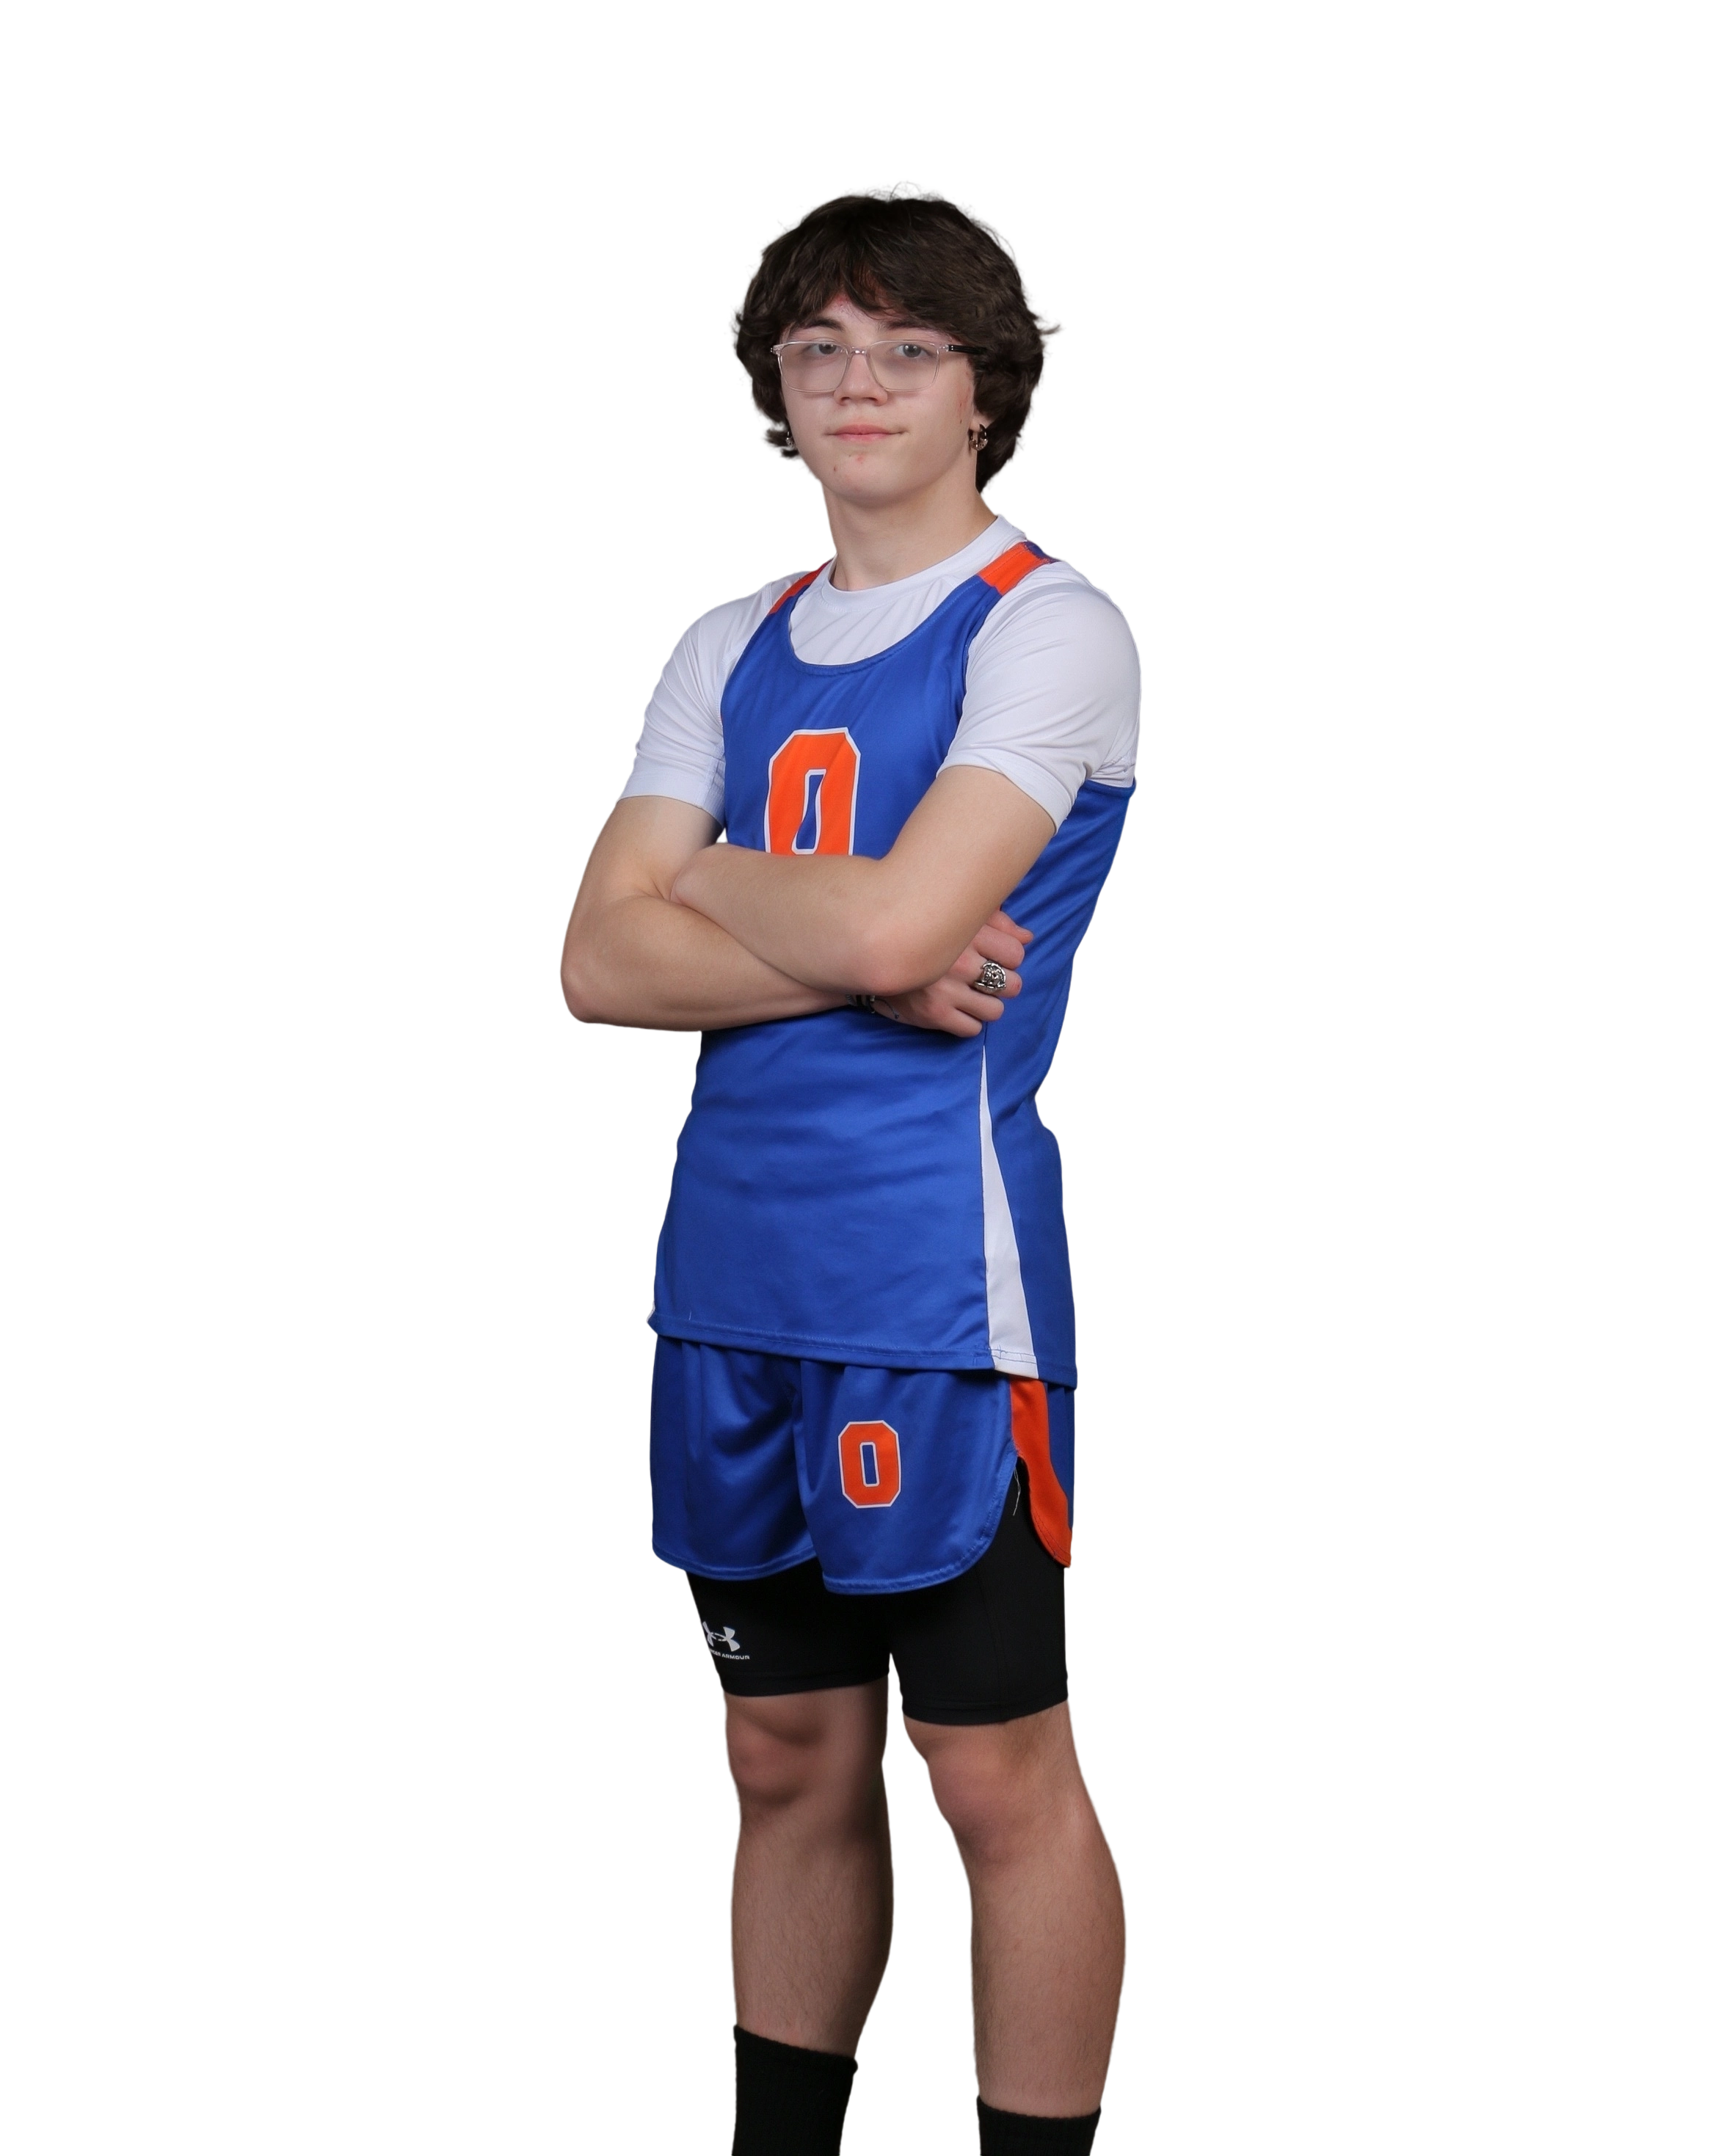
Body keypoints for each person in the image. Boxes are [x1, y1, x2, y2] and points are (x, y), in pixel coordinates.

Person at [559, 178, 1142, 2155]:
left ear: (988, 388)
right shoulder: (727, 639)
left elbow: (899, 926)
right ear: (774, 389)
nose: (858, 383)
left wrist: (713, 883)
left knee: (994, 1778)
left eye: (908, 347)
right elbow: (597, 963)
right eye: (819, 349)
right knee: (783, 1758)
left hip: (935, 1290)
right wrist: (858, 931)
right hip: (729, 1285)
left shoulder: (1048, 624)